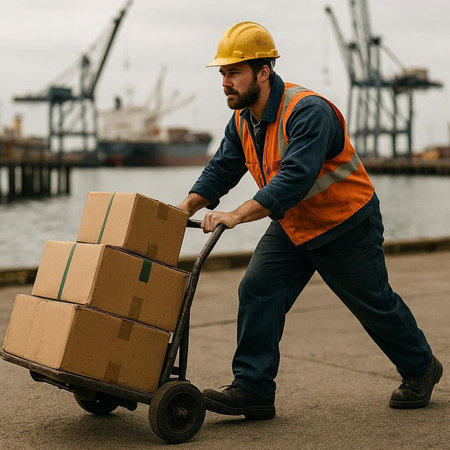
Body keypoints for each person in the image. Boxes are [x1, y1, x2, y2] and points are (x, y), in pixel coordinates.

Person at [177, 21, 442, 420]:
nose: (225, 83)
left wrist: (235, 215)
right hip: (294, 225)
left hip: (345, 223)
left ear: (263, 72)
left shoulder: (307, 111)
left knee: (374, 304)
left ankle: (422, 368)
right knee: (258, 289)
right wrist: (183, 210)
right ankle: (253, 388)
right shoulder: (242, 121)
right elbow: (220, 171)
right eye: (223, 74)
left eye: (234, 73)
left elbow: (293, 180)